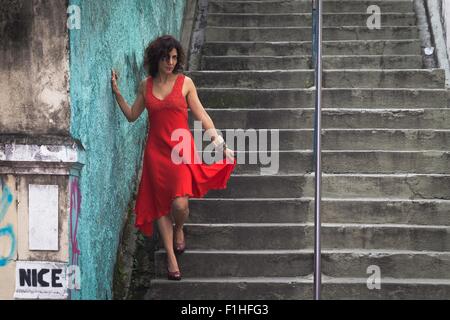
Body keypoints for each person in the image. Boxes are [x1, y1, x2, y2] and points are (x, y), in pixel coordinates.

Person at [111, 35, 236, 281]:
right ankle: (170, 256)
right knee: (159, 205)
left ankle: (179, 228)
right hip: (156, 154)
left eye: (174, 57)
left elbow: (201, 115)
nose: (170, 62)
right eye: (166, 57)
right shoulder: (145, 86)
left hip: (181, 151)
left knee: (180, 204)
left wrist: (220, 145)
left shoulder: (185, 83)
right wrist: (117, 93)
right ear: (156, 59)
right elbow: (132, 115)